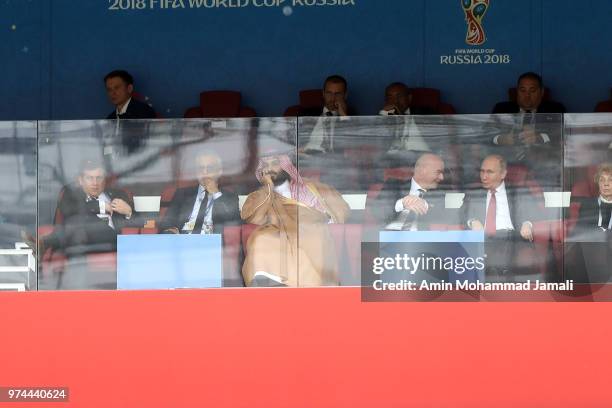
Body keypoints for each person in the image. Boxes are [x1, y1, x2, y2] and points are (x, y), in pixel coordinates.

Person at [241, 154, 350, 287]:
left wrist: (325, 218)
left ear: (285, 166)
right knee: (260, 239)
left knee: (313, 238)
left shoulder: (312, 187)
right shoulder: (259, 196)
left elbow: (340, 209)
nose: (269, 169)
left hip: (311, 230)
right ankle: (273, 282)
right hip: (278, 232)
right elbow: (254, 218)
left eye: (274, 163)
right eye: (265, 166)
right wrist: (269, 188)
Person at [463, 154, 541, 280]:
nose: (484, 176)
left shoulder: (517, 192)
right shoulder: (474, 193)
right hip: (484, 241)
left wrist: (527, 224)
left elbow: (533, 212)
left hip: (511, 240)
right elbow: (462, 213)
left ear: (503, 174)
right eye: (482, 172)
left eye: (490, 172)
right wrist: (472, 221)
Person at [41, 160, 134, 256]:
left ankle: (45, 243)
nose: (95, 183)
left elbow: (142, 222)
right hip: (82, 246)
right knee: (74, 223)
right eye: (90, 178)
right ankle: (43, 244)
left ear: (105, 179)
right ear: (80, 180)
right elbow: (68, 211)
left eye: (99, 178)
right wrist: (100, 206)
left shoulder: (119, 194)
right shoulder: (70, 195)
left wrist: (129, 212)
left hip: (114, 244)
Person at [160, 152, 240, 235]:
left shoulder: (231, 197)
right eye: (201, 168)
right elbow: (166, 224)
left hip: (213, 244)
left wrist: (215, 193)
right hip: (184, 243)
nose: (204, 172)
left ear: (219, 171)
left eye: (209, 168)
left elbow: (233, 220)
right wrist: (172, 231)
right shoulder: (182, 194)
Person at [369, 153, 446, 230]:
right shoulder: (394, 185)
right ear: (422, 170)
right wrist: (402, 203)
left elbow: (440, 218)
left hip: (423, 239)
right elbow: (377, 211)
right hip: (390, 238)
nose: (442, 177)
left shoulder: (440, 194)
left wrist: (423, 204)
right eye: (438, 172)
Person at [301, 75, 354, 154]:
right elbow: (297, 139)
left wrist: (343, 115)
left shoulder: (350, 116)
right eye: (329, 93)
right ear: (323, 93)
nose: (332, 98)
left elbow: (352, 141)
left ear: (345, 95)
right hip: (308, 158)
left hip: (337, 161)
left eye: (338, 94)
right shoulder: (308, 114)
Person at [576, 163, 612, 232]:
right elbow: (579, 232)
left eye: (610, 180)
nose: (606, 184)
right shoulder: (587, 205)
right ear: (598, 183)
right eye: (602, 180)